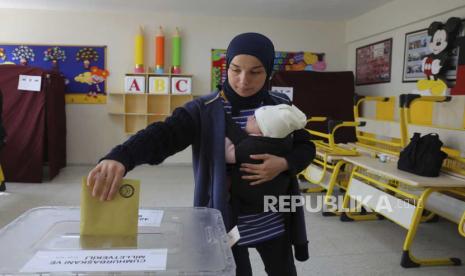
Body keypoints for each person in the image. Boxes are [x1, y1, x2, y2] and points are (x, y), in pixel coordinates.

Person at [87, 32, 315, 276]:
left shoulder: (281, 106)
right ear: (226, 68)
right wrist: (122, 156)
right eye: (235, 69)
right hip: (225, 224)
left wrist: (283, 163)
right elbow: (165, 134)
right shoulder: (205, 110)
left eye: (255, 72)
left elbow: (306, 147)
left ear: (268, 72)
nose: (243, 80)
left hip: (275, 222)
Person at [225, 104, 307, 215]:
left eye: (254, 119)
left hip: (245, 202)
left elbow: (225, 153)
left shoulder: (250, 147)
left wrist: (285, 163)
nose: (249, 118)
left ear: (261, 132)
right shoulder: (284, 141)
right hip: (274, 200)